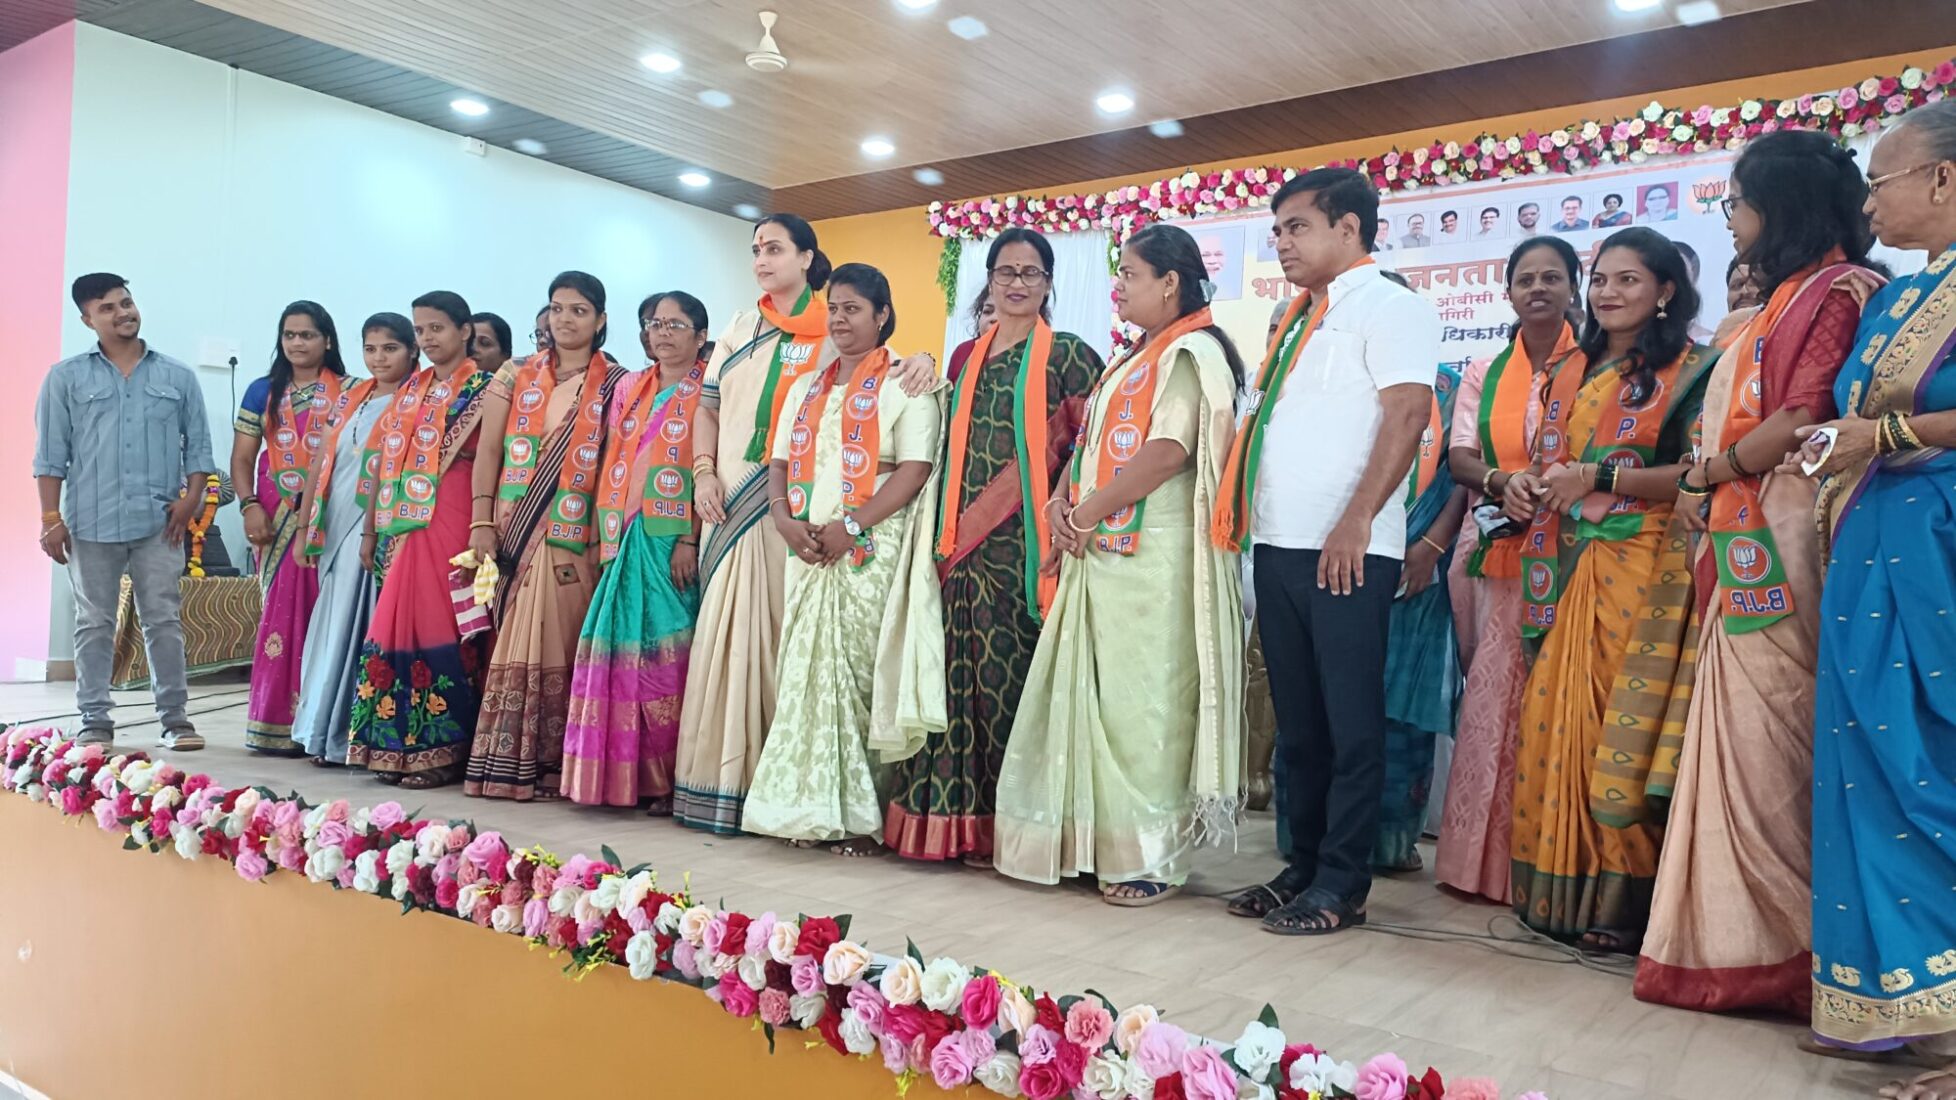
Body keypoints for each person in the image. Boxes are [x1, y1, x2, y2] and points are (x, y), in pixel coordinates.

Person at [1636, 129, 1882, 1015]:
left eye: (1736, 203)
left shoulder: (1842, 292)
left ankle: (1785, 952)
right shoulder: (1781, 300)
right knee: (1742, 735)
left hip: (1790, 534)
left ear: (1781, 207)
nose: (1731, 221)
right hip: (1746, 526)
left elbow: (1802, 417)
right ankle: (1728, 945)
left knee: (1774, 737)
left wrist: (1706, 474)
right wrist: (1710, 480)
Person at [994, 223, 1247, 905]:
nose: (1119, 288)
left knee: (1145, 712)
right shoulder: (1133, 358)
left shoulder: (1192, 352)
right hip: (1102, 556)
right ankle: (1094, 845)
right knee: (1101, 705)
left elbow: (1167, 452)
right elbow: (1091, 446)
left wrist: (1084, 512)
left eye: (1130, 275)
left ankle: (1149, 858)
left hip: (1156, 565)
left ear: (1170, 282)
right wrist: (1062, 502)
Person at [1220, 167, 1439, 935]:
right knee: (1301, 724)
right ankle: (1304, 867)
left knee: (1349, 723)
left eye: (1297, 227)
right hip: (1279, 544)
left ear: (1348, 229)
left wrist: (1357, 520)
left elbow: (1408, 415)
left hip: (1348, 548)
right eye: (1277, 230)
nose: (1282, 243)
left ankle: (1343, 882)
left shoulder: (1392, 307)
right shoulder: (1295, 320)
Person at [1791, 101, 1956, 1095]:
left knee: (1933, 761)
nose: (1868, 202)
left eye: (1881, 180)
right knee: (1867, 768)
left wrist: (1885, 439)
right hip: (1873, 545)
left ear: (1943, 178)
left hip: (1939, 548)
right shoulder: (1903, 293)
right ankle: (1892, 1003)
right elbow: (1860, 415)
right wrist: (1838, 444)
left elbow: (1893, 426)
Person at [1505, 227, 1714, 951]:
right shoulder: (1574, 367)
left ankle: (1625, 905)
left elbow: (1698, 473)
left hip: (1644, 567)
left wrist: (1599, 477)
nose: (1608, 292)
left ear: (1666, 291)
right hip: (1567, 564)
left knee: (1622, 729)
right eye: (1600, 279)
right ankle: (1557, 894)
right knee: (1553, 721)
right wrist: (1529, 484)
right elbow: (1554, 462)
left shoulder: (1693, 370)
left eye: (1628, 279)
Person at [884, 228, 1101, 864]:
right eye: (1006, 271)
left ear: (1049, 282)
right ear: (989, 280)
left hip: (1028, 551)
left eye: (1031, 273)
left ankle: (1019, 832)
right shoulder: (963, 358)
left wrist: (1065, 508)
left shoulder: (1069, 355)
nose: (1017, 283)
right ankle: (957, 826)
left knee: (1015, 687)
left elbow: (1090, 445)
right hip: (959, 550)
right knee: (956, 685)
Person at [744, 264, 946, 851]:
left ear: (882, 315)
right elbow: (779, 462)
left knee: (860, 673)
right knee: (804, 672)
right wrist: (783, 520)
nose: (838, 319)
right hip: (807, 547)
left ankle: (861, 813)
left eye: (852, 308)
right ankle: (803, 808)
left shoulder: (906, 383)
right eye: (833, 308)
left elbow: (914, 469)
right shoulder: (808, 387)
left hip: (870, 549)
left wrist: (853, 525)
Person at [673, 215, 854, 833]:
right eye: (755, 250)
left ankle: (776, 789)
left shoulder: (832, 325)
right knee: (724, 637)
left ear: (807, 257)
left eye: (774, 249)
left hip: (793, 507)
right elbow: (708, 409)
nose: (761, 260)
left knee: (783, 638)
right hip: (726, 500)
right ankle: (715, 783)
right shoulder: (739, 326)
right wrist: (702, 474)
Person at [1432, 237, 1582, 904]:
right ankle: (1476, 864)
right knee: (1491, 697)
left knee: (1554, 694)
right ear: (1508, 291)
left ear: (1574, 286)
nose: (1538, 288)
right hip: (1493, 546)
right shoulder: (1484, 370)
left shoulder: (1599, 363)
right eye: (1525, 278)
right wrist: (1503, 481)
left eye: (1552, 277)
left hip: (1576, 545)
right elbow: (1460, 456)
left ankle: (1542, 867)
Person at [464, 271, 628, 802]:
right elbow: (489, 451)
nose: (565, 319)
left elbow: (616, 463)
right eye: (557, 308)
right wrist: (481, 521)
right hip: (512, 527)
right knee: (512, 632)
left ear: (600, 321)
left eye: (579, 310)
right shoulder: (514, 374)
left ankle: (557, 762)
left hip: (575, 532)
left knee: (565, 634)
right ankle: (504, 758)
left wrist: (604, 538)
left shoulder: (617, 382)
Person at [34, 273, 216, 751]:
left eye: (126, 303)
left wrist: (192, 500)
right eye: (108, 308)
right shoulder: (65, 378)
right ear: (87, 320)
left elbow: (199, 448)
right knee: (94, 622)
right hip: (90, 522)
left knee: (163, 620)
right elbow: (50, 456)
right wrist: (50, 519)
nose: (122, 313)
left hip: (161, 524)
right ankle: (94, 718)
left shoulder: (177, 376)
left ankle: (175, 720)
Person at [560, 292, 711, 810]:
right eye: (654, 323)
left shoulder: (712, 388)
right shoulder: (631, 388)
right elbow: (611, 458)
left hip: (672, 538)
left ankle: (671, 777)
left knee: (669, 658)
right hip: (624, 533)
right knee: (619, 649)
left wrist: (689, 537)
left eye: (676, 324)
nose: (662, 332)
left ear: (701, 337)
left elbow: (710, 464)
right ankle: (623, 776)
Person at [348, 290, 495, 788]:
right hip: (404, 524)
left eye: (437, 328)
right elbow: (383, 464)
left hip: (454, 516)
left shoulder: (487, 388)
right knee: (395, 621)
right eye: (420, 330)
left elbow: (493, 459)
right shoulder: (412, 390)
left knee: (441, 622)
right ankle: (394, 747)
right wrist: (371, 529)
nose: (428, 338)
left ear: (464, 331)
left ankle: (442, 751)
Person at [289, 313, 412, 766]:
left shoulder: (414, 401)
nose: (379, 358)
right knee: (331, 628)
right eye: (370, 349)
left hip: (374, 527)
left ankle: (350, 734)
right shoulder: (351, 398)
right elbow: (321, 462)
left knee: (360, 627)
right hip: (334, 526)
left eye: (390, 349)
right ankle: (318, 729)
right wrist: (304, 529)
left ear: (412, 351)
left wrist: (374, 530)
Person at [232, 300, 349, 755]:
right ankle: (274, 722)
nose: (297, 343)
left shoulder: (350, 390)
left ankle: (321, 723)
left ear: (328, 340)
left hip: (329, 513)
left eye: (307, 335)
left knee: (327, 609)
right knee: (281, 610)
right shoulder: (263, 391)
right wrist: (249, 506)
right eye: (289, 335)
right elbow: (243, 457)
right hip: (274, 511)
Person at [945, 287, 996, 383]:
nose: (994, 318)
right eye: (988, 311)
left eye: (1005, 314)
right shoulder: (963, 352)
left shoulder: (1023, 358)